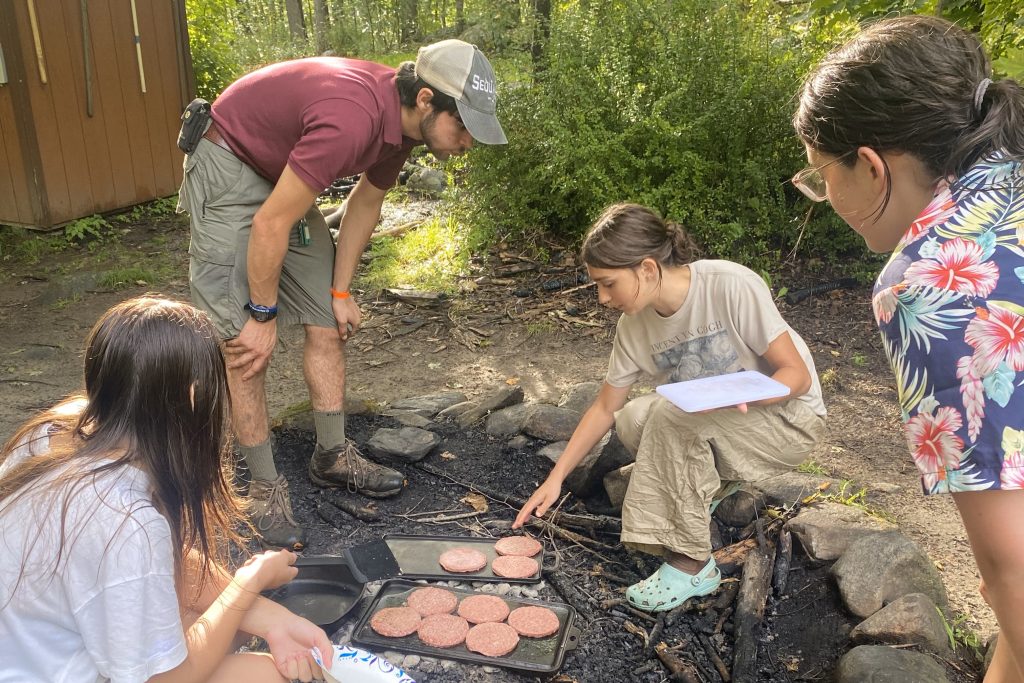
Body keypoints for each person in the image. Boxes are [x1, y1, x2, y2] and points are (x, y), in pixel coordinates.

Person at [176, 39, 508, 548]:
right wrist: (262, 314)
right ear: (425, 100)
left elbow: (366, 202)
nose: (467, 143)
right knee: (244, 345)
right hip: (228, 163)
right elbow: (269, 225)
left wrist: (339, 289)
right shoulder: (352, 119)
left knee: (328, 322)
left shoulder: (402, 133)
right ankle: (263, 487)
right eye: (462, 126)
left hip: (279, 173)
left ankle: (331, 456)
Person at [792, 15, 1024, 680]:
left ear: (868, 165)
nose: (821, 196)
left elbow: (1016, 573)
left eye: (819, 175)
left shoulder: (937, 283)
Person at [513, 203, 827, 612]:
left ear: (646, 268)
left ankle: (693, 564)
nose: (602, 298)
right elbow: (605, 408)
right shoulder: (634, 325)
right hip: (720, 423)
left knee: (665, 413)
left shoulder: (728, 284)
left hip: (788, 421)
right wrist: (555, 479)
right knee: (633, 418)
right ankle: (706, 488)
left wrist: (738, 394)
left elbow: (796, 377)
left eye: (608, 284)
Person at [0, 297, 333, 683]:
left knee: (231, 622)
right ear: (193, 396)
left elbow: (163, 564)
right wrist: (248, 582)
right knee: (270, 676)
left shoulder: (54, 432)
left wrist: (272, 618)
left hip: (26, 657)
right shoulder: (125, 523)